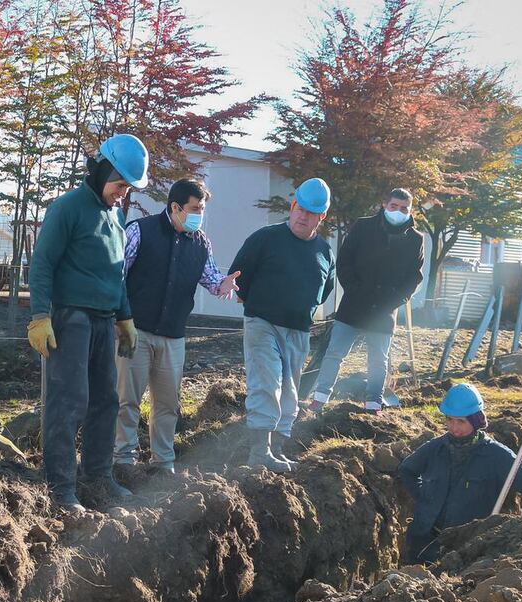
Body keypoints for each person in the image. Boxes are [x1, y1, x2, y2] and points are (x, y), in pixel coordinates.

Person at [27, 133, 148, 513]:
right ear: (100, 174)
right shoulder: (68, 208)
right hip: (70, 318)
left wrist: (125, 318)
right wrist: (40, 316)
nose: (122, 194)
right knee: (68, 401)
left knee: (105, 401)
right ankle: (61, 488)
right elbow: (42, 263)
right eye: (119, 185)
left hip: (103, 319)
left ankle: (98, 475)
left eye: (127, 189)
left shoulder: (117, 216)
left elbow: (118, 275)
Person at [113, 178, 240, 474]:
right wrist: (119, 318)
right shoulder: (139, 231)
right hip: (135, 330)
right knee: (127, 399)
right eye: (195, 208)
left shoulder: (200, 242)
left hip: (173, 335)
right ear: (175, 207)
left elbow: (210, 279)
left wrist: (225, 285)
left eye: (203, 209)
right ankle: (124, 459)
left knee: (168, 404)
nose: (200, 214)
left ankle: (163, 461)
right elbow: (117, 275)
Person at [398, 383, 522, 564]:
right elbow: (407, 470)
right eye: (450, 420)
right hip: (423, 541)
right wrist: (424, 499)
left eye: (461, 421)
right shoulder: (435, 448)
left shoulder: (495, 455)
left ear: (475, 421)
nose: (454, 427)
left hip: (466, 549)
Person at [228, 178, 335, 472]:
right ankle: (259, 453)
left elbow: (325, 290)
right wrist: (256, 305)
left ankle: (277, 449)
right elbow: (239, 278)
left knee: (290, 390)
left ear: (321, 216)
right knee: (267, 382)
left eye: (311, 213)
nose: (303, 216)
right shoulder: (265, 238)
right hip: (262, 322)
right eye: (300, 209)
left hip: (298, 330)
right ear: (292, 206)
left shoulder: (325, 252)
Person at [307, 188, 425, 415]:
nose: (398, 211)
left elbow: (414, 277)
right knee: (335, 353)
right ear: (384, 205)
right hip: (354, 304)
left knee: (379, 360)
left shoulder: (415, 239)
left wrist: (396, 299)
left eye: (404, 208)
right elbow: (345, 260)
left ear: (410, 211)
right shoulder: (363, 226)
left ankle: (373, 404)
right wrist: (353, 288)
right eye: (394, 206)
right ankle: (319, 399)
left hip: (384, 310)